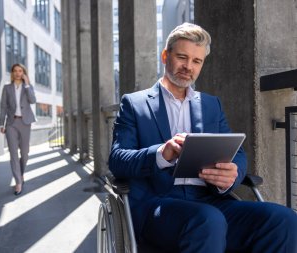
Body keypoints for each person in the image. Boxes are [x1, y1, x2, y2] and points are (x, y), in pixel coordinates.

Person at [109, 23, 297, 253]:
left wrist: (232, 174)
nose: (188, 66)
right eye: (182, 57)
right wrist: (161, 154)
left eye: (196, 61)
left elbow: (237, 154)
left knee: (283, 219)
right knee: (207, 220)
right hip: (157, 205)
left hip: (209, 200)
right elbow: (117, 160)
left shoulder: (211, 105)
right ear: (165, 55)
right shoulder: (134, 104)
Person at [0, 63, 36, 195]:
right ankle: (18, 182)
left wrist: (27, 85)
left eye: (20, 71)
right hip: (11, 123)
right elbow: (3, 106)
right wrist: (1, 124)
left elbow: (33, 101)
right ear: (12, 73)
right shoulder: (7, 88)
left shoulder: (28, 87)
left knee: (25, 154)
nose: (17, 73)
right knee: (13, 154)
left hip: (25, 123)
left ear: (23, 73)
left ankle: (20, 173)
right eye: (15, 71)